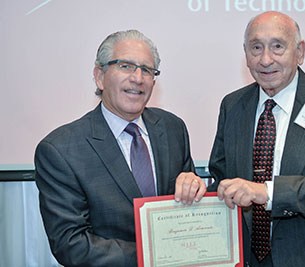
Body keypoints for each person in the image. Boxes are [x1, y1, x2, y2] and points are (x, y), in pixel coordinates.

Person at [208, 11, 305, 267]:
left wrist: (267, 192)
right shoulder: (233, 105)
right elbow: (221, 177)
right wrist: (196, 189)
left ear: (300, 52)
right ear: (245, 54)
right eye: (256, 48)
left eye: (277, 47)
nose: (265, 59)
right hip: (249, 260)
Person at [34, 30, 206, 267]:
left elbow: (186, 210)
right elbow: (71, 244)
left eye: (147, 70)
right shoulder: (61, 150)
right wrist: (158, 255)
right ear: (100, 76)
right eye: (126, 66)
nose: (138, 78)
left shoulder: (172, 128)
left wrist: (195, 189)